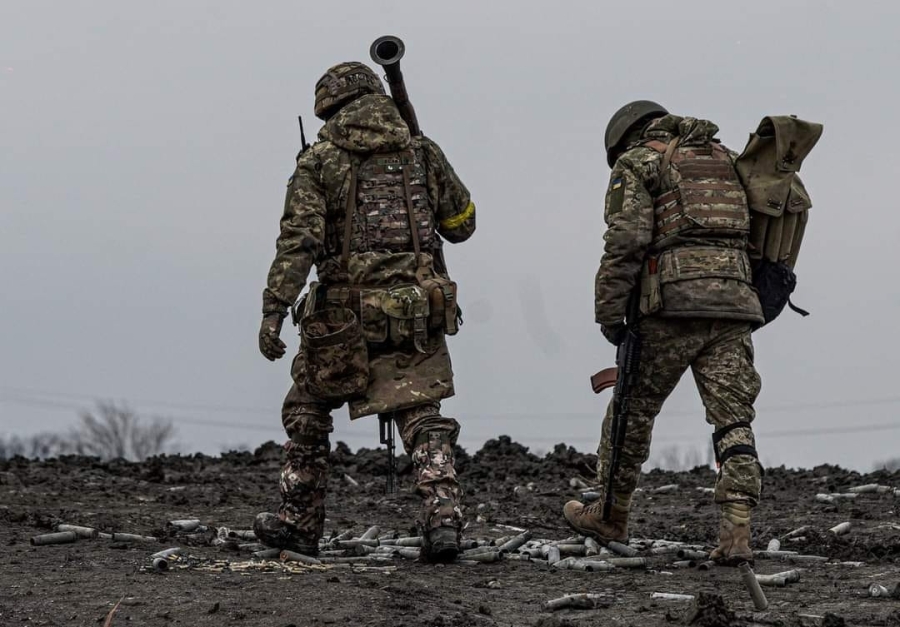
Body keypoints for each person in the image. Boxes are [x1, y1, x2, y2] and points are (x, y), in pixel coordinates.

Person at [255, 61, 476, 562]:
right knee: (422, 416)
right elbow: (463, 223)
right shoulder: (422, 153)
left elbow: (300, 242)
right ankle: (443, 521)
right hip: (417, 314)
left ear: (327, 110)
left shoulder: (319, 161)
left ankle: (298, 525)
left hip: (342, 320)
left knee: (308, 410)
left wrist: (274, 309)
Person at [563, 101, 765, 566]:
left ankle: (610, 515)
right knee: (733, 421)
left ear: (622, 141)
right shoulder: (726, 158)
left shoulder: (639, 163)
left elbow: (627, 240)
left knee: (631, 412)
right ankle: (737, 530)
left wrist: (610, 312)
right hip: (734, 304)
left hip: (671, 306)